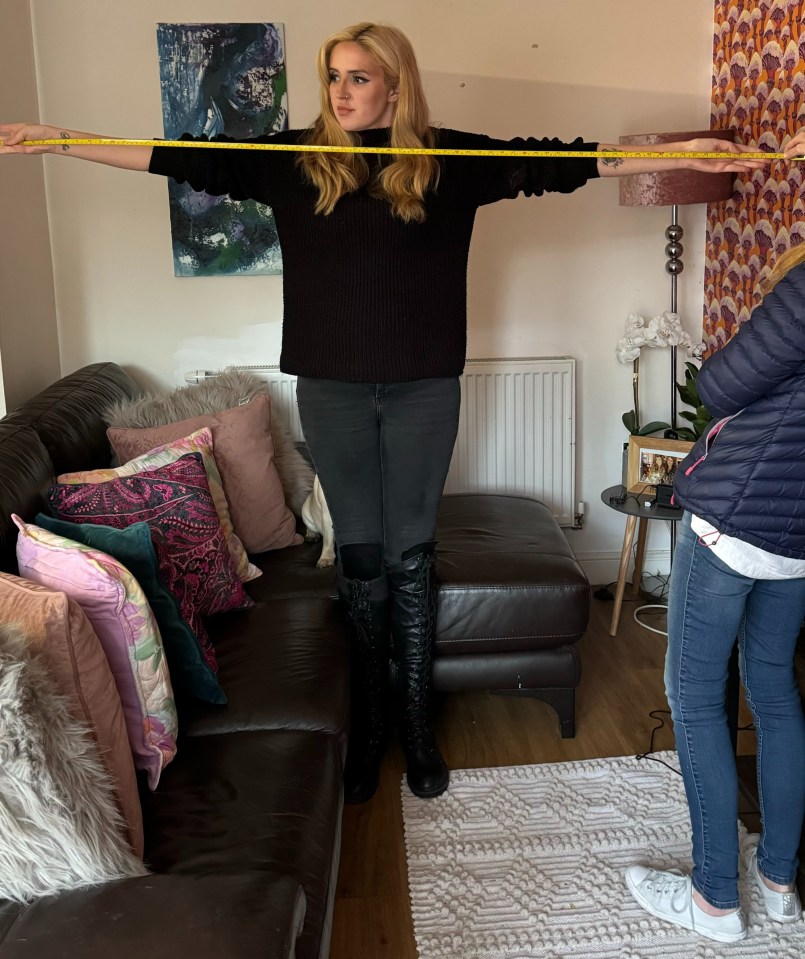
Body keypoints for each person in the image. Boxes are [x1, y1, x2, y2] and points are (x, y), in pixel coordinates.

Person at [0, 21, 780, 803]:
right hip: (332, 391)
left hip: (423, 391)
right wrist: (58, 140)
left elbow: (563, 160)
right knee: (362, 558)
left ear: (396, 86)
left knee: (411, 555)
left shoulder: (448, 158)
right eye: (332, 76)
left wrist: (682, 155)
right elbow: (176, 156)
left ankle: (414, 724)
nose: (340, 91)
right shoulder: (295, 160)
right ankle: (371, 722)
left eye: (358, 78)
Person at [625, 243, 805, 942]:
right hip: (796, 539)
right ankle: (779, 881)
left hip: (735, 519)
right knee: (774, 691)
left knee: (694, 697)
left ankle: (712, 900)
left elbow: (720, 385)